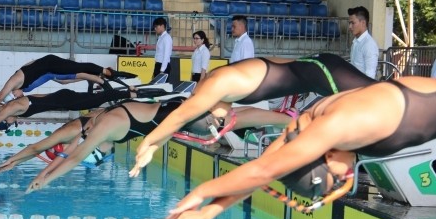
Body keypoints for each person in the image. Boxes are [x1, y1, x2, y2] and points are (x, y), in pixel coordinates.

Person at [157, 76, 436, 219]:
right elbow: (265, 168)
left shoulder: (338, 126)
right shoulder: (306, 125)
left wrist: (201, 193)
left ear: (325, 158)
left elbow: (261, 172)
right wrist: (209, 212)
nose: (350, 173)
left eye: (340, 180)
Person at [129, 53, 377, 176]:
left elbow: (180, 116)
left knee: (381, 102)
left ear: (207, 114)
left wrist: (149, 144)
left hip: (323, 73)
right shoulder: (223, 96)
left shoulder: (215, 87)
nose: (227, 120)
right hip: (319, 72)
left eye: (219, 123)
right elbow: (254, 116)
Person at [24, 97, 232, 193]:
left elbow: (75, 156)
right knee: (229, 115)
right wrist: (42, 176)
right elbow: (71, 154)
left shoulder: (106, 127)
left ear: (99, 146)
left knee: (226, 113)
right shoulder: (102, 123)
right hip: (174, 114)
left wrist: (46, 180)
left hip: (179, 114)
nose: (106, 154)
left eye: (100, 156)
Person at [0, 87, 167, 153]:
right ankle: (137, 96)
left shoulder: (12, 108)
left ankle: (145, 94)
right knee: (104, 103)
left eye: (10, 124)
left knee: (103, 98)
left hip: (66, 100)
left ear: (6, 120)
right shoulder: (15, 107)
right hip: (63, 100)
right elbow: (17, 96)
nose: (14, 123)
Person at [0, 54, 137, 119]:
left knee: (78, 68)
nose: (18, 97)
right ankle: (101, 79)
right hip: (54, 73)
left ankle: (108, 74)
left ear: (13, 92)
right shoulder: (24, 90)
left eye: (15, 96)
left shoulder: (15, 81)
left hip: (51, 63)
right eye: (16, 98)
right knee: (77, 74)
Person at [0, 108, 108, 173]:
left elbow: (35, 148)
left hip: (112, 116)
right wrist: (15, 163)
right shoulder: (71, 138)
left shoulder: (64, 134)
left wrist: (11, 160)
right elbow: (37, 150)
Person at [348, 6, 380, 79]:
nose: (350, 27)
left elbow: (370, 77)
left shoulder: (369, 45)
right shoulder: (356, 42)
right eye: (349, 23)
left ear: (363, 23)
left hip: (362, 88)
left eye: (353, 23)